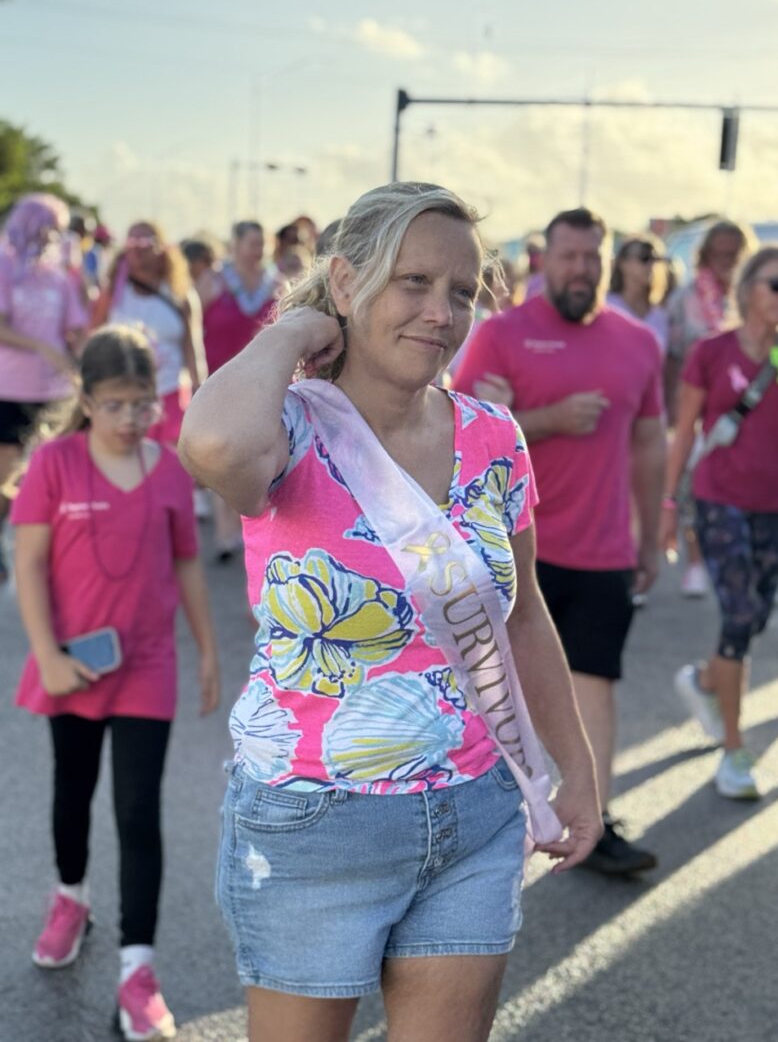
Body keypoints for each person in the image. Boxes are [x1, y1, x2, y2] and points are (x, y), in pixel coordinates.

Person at [179, 181, 601, 1042]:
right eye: (413, 283)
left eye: (460, 291)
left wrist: (580, 769)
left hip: (475, 812)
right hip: (313, 821)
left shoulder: (495, 436)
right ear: (347, 282)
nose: (440, 313)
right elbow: (212, 446)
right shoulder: (287, 428)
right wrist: (300, 327)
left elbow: (522, 615)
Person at [12, 325, 220, 1040]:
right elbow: (29, 565)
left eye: (144, 404)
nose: (133, 420)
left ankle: (138, 969)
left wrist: (208, 648)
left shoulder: (168, 469)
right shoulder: (54, 465)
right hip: (70, 660)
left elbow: (188, 561)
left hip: (148, 665)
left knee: (138, 811)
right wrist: (49, 655)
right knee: (73, 790)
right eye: (117, 405)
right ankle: (70, 896)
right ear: (88, 399)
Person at [453, 207, 666, 877]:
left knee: (596, 682)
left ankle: (592, 819)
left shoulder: (637, 342)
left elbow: (649, 440)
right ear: (545, 261)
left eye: (591, 257)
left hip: (603, 547)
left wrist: (653, 529)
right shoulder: (501, 336)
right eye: (568, 257)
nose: (581, 269)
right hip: (513, 550)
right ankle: (484, 827)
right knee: (494, 690)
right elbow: (457, 429)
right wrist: (547, 418)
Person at [661, 247, 778, 799]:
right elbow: (683, 431)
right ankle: (734, 751)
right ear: (749, 291)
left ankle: (706, 681)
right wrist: (668, 506)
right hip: (718, 501)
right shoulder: (711, 353)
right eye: (777, 284)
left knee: (753, 616)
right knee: (740, 613)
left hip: (775, 505)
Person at [0, 193, 88, 582]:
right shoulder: (4, 265)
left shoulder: (59, 275)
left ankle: (51, 556)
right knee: (6, 479)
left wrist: (85, 361)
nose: (56, 234)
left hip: (56, 392)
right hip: (11, 388)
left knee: (54, 476)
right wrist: (38, 346)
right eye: (51, 225)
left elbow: (76, 330)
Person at [665, 220, 755, 598]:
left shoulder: (757, 296)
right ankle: (697, 560)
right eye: (717, 252)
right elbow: (672, 356)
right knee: (689, 486)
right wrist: (672, 409)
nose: (725, 261)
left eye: (732, 254)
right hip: (694, 402)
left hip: (745, 408)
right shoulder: (686, 298)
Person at [198, 220, 286, 560]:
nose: (258, 250)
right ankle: (225, 534)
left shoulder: (276, 285)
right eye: (251, 243)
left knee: (254, 458)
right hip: (218, 383)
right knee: (223, 456)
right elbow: (192, 323)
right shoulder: (214, 282)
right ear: (233, 246)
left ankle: (256, 532)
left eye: (261, 244)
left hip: (263, 385)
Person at [92, 221, 200, 450]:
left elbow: (193, 349)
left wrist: (200, 394)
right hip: (120, 400)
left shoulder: (180, 294)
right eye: (131, 242)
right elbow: (93, 338)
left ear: (162, 248)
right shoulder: (113, 292)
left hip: (170, 397)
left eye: (145, 242)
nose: (138, 249)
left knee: (170, 471)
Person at [607, 234, 669, 354]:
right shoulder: (607, 306)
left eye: (655, 259)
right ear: (623, 263)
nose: (651, 265)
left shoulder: (661, 316)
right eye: (644, 258)